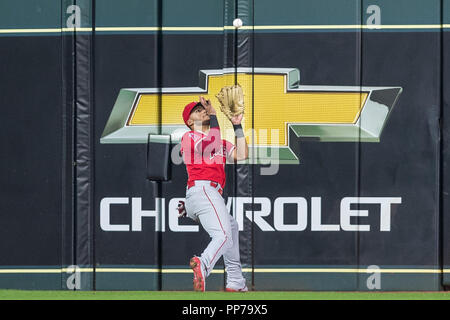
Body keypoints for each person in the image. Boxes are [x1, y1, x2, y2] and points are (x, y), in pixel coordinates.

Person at [177, 96, 249, 292]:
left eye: (204, 108)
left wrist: (237, 126)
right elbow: (211, 145)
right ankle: (204, 263)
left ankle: (235, 280)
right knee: (223, 235)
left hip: (207, 194)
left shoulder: (221, 142)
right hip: (203, 190)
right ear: (190, 121)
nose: (203, 110)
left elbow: (242, 155)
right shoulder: (189, 137)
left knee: (231, 226)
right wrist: (215, 115)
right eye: (197, 110)